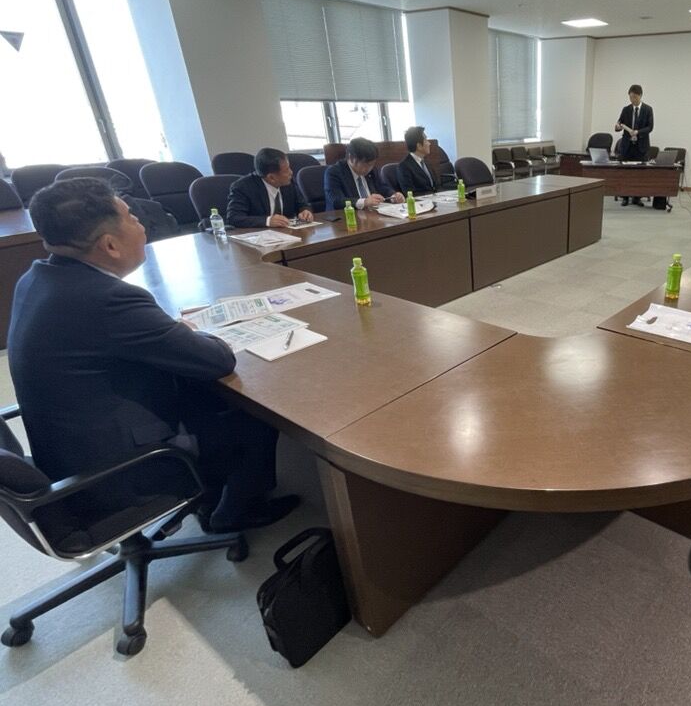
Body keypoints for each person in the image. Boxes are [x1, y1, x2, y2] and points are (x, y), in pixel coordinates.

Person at [7, 178, 299, 533]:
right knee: (252, 418)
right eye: (131, 217)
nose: (141, 224)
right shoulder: (107, 299)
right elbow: (217, 360)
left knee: (202, 393)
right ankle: (231, 514)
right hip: (118, 472)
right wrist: (190, 332)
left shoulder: (38, 278)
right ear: (110, 245)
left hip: (69, 456)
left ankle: (211, 498)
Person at [226, 147, 313, 228]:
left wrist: (305, 211)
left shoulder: (289, 181)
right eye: (286, 170)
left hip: (288, 232)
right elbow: (234, 218)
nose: (291, 172)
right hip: (259, 235)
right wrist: (267, 221)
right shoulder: (243, 187)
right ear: (271, 177)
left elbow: (302, 204)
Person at [324, 137, 405, 211]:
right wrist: (364, 202)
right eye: (366, 164)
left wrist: (393, 195)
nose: (370, 168)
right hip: (347, 217)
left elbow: (382, 187)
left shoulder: (372, 170)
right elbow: (336, 201)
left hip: (372, 214)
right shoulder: (334, 172)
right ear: (351, 158)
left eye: (372, 164)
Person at [614, 84, 654, 205]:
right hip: (627, 146)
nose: (632, 100)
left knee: (639, 174)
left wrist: (638, 132)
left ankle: (637, 197)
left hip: (641, 146)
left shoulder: (648, 109)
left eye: (635, 97)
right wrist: (617, 127)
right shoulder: (626, 109)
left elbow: (650, 127)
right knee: (625, 172)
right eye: (630, 97)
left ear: (640, 95)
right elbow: (619, 124)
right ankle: (625, 197)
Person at [396, 126, 439, 196]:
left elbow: (435, 186)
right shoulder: (404, 167)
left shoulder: (426, 162)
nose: (429, 143)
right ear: (419, 146)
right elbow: (410, 193)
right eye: (426, 140)